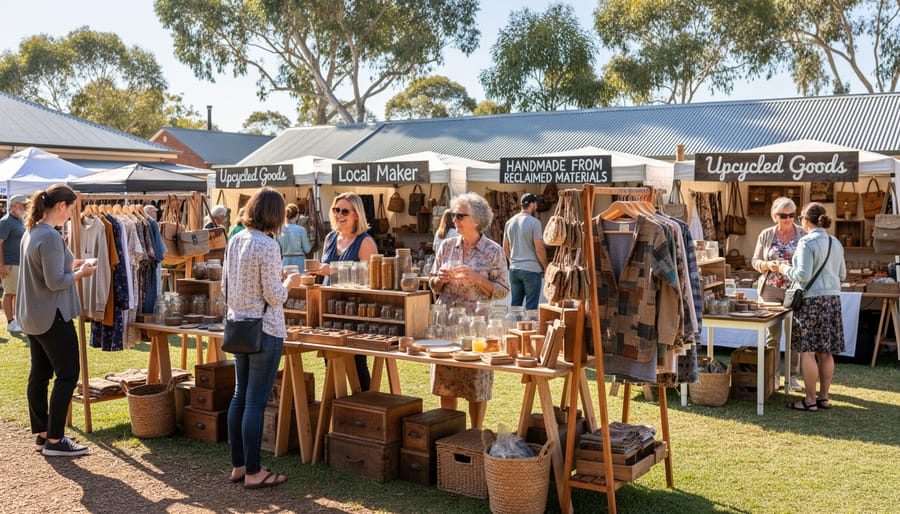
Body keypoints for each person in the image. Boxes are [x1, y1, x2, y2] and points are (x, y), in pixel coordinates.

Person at [223, 187, 300, 488]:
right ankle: (254, 472)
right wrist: (289, 283)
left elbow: (224, 288)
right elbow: (274, 295)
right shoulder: (268, 245)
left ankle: (239, 466)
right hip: (265, 329)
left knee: (240, 396)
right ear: (276, 215)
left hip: (237, 326)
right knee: (254, 401)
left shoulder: (236, 239)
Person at [18, 184, 95, 456]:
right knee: (67, 374)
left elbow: (44, 272)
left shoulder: (32, 231)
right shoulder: (49, 236)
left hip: (34, 315)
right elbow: (54, 282)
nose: (71, 214)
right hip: (53, 316)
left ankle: (42, 434)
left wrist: (72, 265)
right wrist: (80, 275)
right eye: (71, 209)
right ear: (61, 206)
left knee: (39, 374)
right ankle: (55, 440)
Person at [428, 192, 510, 428]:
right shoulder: (446, 246)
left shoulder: (493, 251)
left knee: (476, 385)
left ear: (477, 219)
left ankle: (474, 433)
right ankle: (448, 432)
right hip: (447, 324)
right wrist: (440, 279)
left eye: (460, 216)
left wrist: (476, 278)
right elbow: (432, 283)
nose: (455, 220)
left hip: (477, 327)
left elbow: (503, 290)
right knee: (446, 382)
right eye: (454, 215)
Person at [778, 202, 846, 412]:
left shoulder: (806, 242)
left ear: (805, 220)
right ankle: (823, 398)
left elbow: (803, 275)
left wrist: (784, 268)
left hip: (811, 302)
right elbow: (842, 275)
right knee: (826, 352)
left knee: (807, 352)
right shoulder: (835, 242)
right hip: (832, 301)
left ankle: (809, 400)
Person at [310, 192, 378, 390]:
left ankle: (365, 407)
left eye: (344, 211)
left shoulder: (365, 241)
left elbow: (372, 278)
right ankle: (339, 408)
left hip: (354, 311)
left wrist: (334, 269)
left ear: (356, 214)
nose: (339, 214)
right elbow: (324, 269)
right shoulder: (331, 238)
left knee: (357, 363)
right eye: (336, 210)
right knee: (330, 361)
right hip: (329, 309)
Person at [751, 197, 806, 392]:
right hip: (770, 289)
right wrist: (767, 265)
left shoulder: (802, 233)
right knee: (772, 337)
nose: (789, 219)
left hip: (795, 290)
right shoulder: (766, 234)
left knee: (794, 336)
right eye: (784, 215)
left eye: (792, 215)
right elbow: (755, 261)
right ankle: (771, 377)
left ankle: (791, 378)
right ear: (775, 216)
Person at [502, 193, 548, 310]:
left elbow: (505, 248)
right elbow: (540, 249)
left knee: (515, 306)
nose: (536, 206)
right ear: (532, 205)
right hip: (531, 270)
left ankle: (513, 327)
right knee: (531, 308)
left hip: (514, 270)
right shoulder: (534, 222)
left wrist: (513, 261)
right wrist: (546, 267)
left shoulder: (510, 222)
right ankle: (529, 328)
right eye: (535, 203)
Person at [0, 195, 31, 333]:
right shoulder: (6, 222)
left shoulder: (19, 220)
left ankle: (15, 320)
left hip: (18, 262)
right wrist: (1, 265)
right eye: (22, 205)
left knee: (16, 293)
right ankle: (10, 322)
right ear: (13, 206)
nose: (25, 207)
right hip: (9, 262)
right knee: (9, 293)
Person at [277, 203, 312, 270]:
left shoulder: (278, 230)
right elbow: (307, 250)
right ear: (297, 215)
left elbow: (277, 251)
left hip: (285, 263)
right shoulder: (301, 230)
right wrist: (311, 241)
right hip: (299, 263)